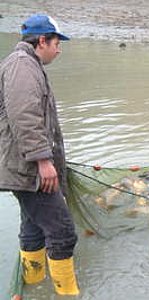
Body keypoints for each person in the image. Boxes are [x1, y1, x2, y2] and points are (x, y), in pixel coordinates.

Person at [0, 15, 79, 294]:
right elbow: (25, 117)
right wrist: (44, 162)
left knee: (34, 229)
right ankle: (67, 294)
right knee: (63, 233)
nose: (59, 50)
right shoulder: (23, 66)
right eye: (57, 43)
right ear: (42, 40)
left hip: (24, 170)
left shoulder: (25, 64)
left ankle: (33, 284)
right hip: (31, 171)